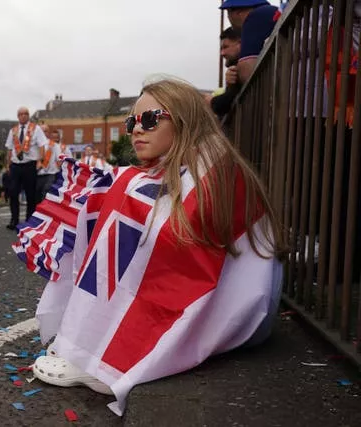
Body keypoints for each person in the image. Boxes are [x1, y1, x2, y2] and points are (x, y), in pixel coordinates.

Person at [14, 77, 283, 415]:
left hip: (236, 316)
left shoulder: (214, 173)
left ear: (184, 119)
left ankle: (100, 354)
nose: (136, 130)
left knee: (122, 208)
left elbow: (170, 247)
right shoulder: (206, 162)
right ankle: (87, 337)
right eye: (131, 122)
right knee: (115, 198)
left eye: (150, 119)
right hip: (246, 313)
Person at [4, 107, 47, 230]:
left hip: (29, 164)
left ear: (28, 115)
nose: (23, 116)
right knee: (13, 193)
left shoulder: (36, 129)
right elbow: (9, 148)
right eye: (21, 114)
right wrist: (8, 164)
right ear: (18, 116)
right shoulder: (13, 131)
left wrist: (40, 160)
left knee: (30, 194)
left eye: (25, 114)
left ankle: (30, 219)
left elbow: (42, 145)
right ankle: (14, 219)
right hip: (15, 165)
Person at [219, 0, 281, 84]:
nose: (229, 18)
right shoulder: (272, 12)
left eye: (228, 13)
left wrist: (235, 78)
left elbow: (247, 75)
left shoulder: (255, 17)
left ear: (238, 12)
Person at [210, 26, 242, 118]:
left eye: (225, 47)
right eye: (221, 49)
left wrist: (211, 101)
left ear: (240, 44)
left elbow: (225, 104)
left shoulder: (240, 69)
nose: (222, 53)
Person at [36, 125, 61, 203]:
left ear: (48, 133)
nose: (43, 133)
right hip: (37, 174)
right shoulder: (34, 144)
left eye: (45, 131)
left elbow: (59, 159)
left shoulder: (54, 145)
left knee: (46, 193)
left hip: (50, 174)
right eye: (41, 131)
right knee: (36, 195)